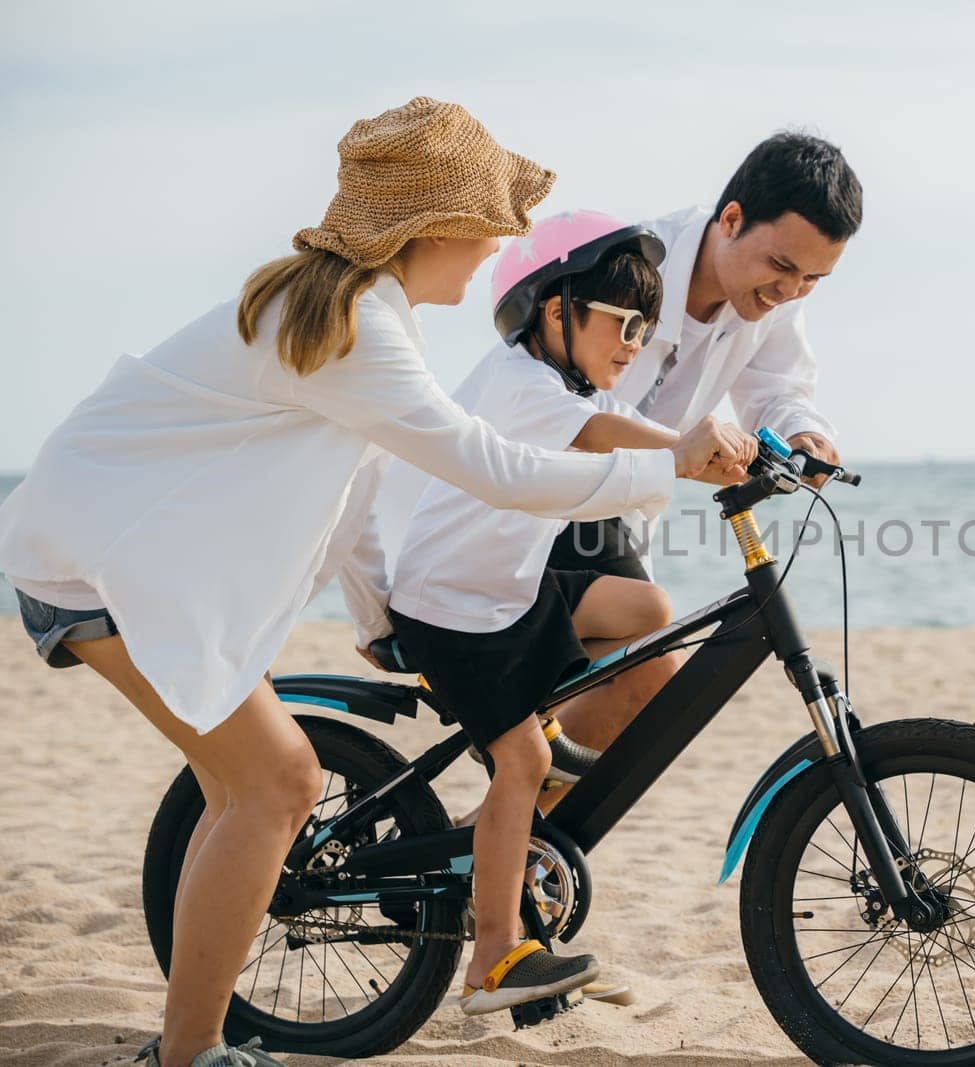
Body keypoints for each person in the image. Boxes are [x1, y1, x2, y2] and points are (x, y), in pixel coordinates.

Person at [0, 98, 727, 1067]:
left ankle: (186, 1048)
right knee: (278, 783)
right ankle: (189, 1053)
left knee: (251, 792)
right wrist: (667, 466)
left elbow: (354, 487)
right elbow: (493, 468)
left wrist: (372, 609)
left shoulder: (349, 315)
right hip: (94, 567)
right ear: (438, 228)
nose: (497, 249)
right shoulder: (353, 328)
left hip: (95, 551)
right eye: (489, 225)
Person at [380, 211, 756, 1014]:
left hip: (506, 596)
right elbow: (603, 435)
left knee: (638, 619)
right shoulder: (523, 388)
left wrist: (717, 449)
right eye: (623, 322)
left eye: (646, 327)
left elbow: (612, 430)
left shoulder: (549, 380)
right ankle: (491, 959)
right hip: (452, 609)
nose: (634, 342)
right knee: (522, 761)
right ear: (557, 311)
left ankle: (543, 753)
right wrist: (684, 447)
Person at [547, 131, 863, 579]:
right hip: (535, 501)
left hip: (621, 518)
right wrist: (683, 452)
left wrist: (804, 434)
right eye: (781, 266)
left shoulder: (776, 299)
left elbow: (779, 391)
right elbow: (550, 405)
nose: (791, 291)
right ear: (732, 220)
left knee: (650, 640)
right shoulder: (626, 265)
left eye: (813, 278)